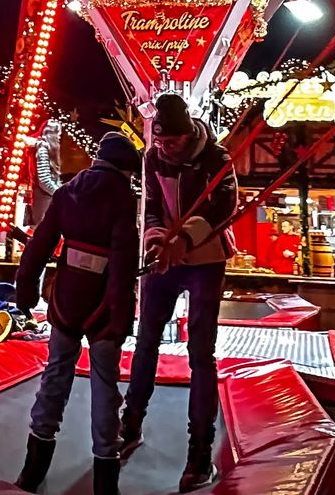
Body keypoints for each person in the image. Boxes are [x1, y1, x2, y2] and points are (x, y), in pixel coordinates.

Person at [12, 132, 140, 495]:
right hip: (102, 303)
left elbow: (40, 243)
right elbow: (123, 260)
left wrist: (26, 289)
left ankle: (32, 472)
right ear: (125, 169)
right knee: (104, 387)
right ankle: (105, 478)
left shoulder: (68, 191)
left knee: (54, 379)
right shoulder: (122, 198)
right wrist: (120, 314)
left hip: (67, 299)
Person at [122, 93, 237, 492]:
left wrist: (184, 240)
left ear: (188, 135)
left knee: (200, 353)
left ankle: (200, 450)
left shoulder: (218, 160)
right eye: (160, 142)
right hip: (164, 257)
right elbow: (151, 204)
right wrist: (156, 240)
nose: (165, 150)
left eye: (172, 143)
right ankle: (130, 423)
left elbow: (224, 209)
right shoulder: (153, 157)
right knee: (146, 341)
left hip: (205, 259)